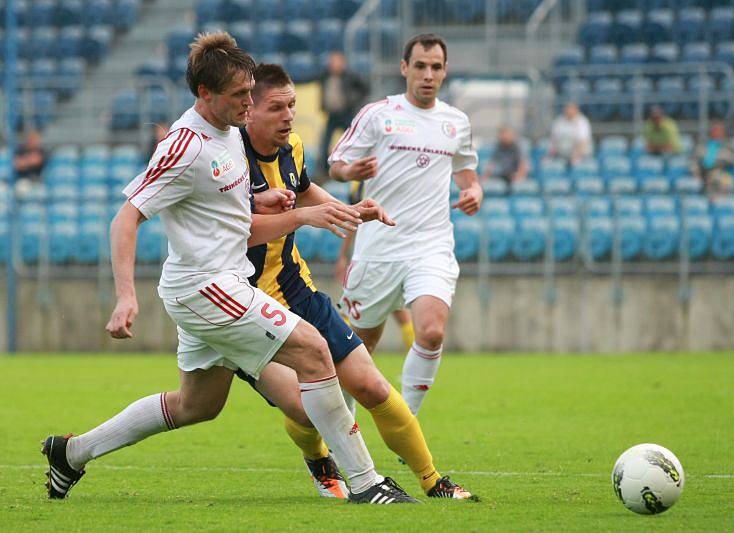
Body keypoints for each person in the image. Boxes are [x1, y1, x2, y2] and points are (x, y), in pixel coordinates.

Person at [40, 32, 416, 505]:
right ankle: (367, 484)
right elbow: (127, 217)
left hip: (220, 283)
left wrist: (262, 200)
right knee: (314, 351)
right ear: (205, 94)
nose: (246, 102)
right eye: (239, 95)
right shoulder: (184, 145)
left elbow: (223, 212)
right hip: (205, 287)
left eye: (248, 91)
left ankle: (71, 454)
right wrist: (125, 296)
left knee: (196, 406)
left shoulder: (227, 133)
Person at [235, 63, 472, 500]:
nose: (289, 115)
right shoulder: (226, 158)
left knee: (370, 384)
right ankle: (321, 461)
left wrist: (350, 211)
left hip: (296, 290)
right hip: (239, 303)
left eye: (291, 105)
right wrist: (305, 216)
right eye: (277, 107)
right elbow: (235, 226)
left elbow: (305, 190)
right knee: (302, 410)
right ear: (248, 111)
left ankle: (433, 481)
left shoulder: (295, 147)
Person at [328, 34, 483, 419]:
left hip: (431, 245)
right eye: (420, 66)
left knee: (430, 332)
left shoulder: (456, 123)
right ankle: (339, 429)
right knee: (358, 347)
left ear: (445, 71)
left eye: (436, 67)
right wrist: (352, 170)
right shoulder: (378, 115)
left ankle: (405, 421)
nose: (428, 74)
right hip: (378, 246)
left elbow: (467, 173)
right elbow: (336, 165)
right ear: (404, 68)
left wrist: (474, 191)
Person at [335, 180, 416, 352]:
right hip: (385, 253)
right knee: (400, 316)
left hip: (374, 257)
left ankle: (351, 364)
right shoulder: (361, 180)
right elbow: (355, 217)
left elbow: (354, 220)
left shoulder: (365, 182)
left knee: (350, 313)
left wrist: (343, 254)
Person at [317, 51, 369, 176]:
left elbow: (365, 88)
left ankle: (353, 166)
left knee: (351, 142)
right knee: (325, 142)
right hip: (332, 115)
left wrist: (352, 100)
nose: (333, 65)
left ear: (343, 63)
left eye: (336, 62)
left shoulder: (350, 75)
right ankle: (325, 171)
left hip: (346, 114)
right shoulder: (325, 76)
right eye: (332, 62)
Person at [692, 121, 734, 194]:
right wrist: (696, 174)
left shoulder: (727, 145)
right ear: (711, 132)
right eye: (715, 130)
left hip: (722, 171)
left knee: (723, 179)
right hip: (704, 173)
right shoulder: (703, 146)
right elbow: (694, 160)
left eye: (720, 130)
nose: (718, 132)